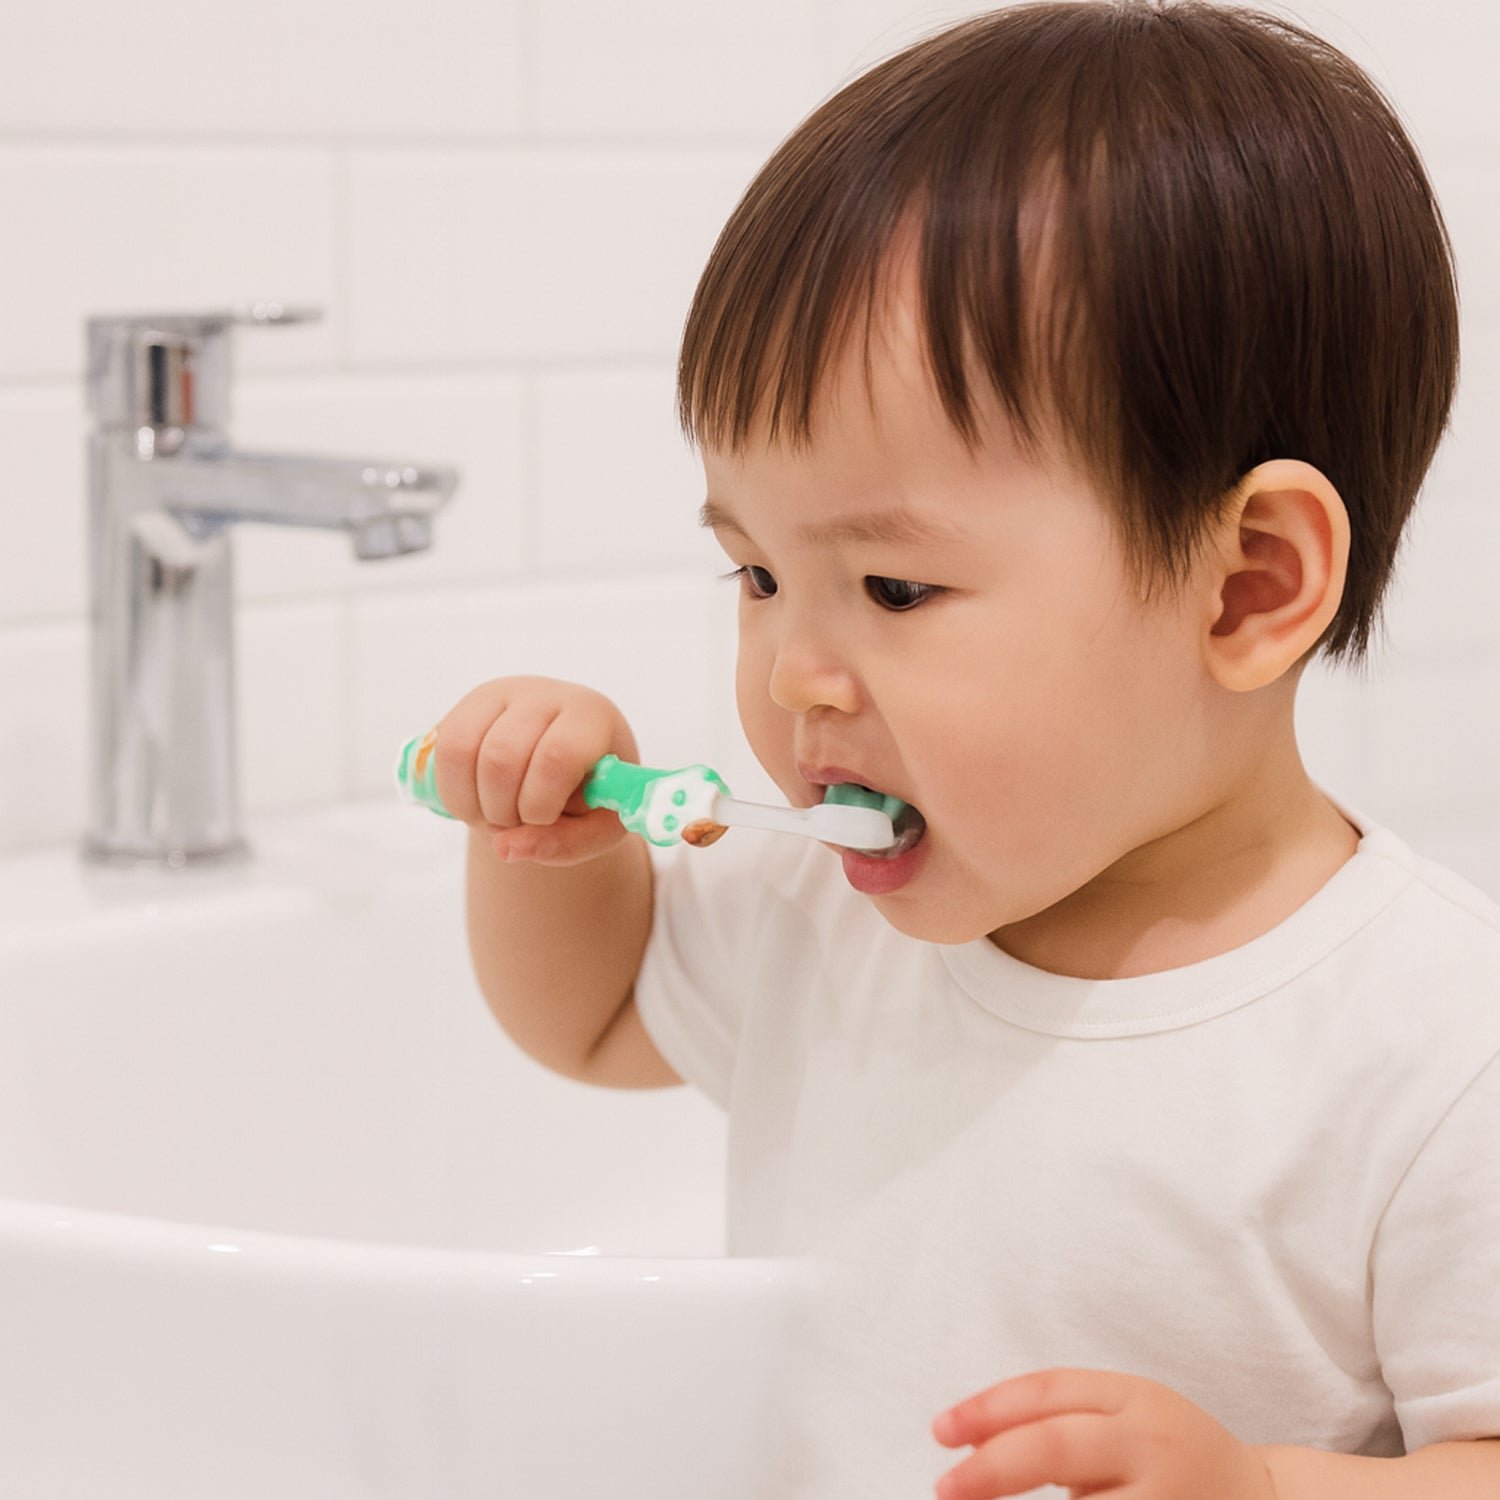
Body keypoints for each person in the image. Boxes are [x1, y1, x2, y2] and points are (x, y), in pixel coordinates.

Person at [429, 3, 1500, 1495]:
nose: (794, 674)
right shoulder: (828, 917)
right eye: (757, 574)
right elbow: (593, 1022)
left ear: (1248, 586)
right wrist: (548, 843)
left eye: (893, 590)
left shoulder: (1435, 1049)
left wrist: (1263, 1487)